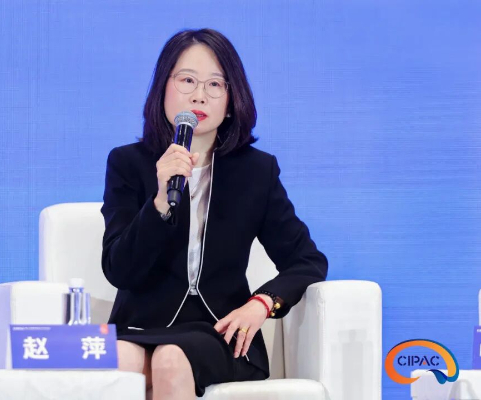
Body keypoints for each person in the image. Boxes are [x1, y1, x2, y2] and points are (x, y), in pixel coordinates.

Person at [100, 28, 328, 400]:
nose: (199, 95)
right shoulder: (128, 163)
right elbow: (119, 270)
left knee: (171, 358)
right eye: (187, 80)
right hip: (140, 327)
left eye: (215, 84)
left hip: (220, 331)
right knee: (116, 360)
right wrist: (159, 202)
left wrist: (262, 303)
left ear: (232, 99)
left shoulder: (256, 171)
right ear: (163, 87)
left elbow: (307, 261)